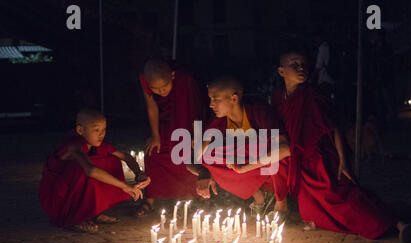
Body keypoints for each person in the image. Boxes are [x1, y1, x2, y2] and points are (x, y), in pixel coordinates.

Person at [272, 50, 411, 243]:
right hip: (299, 161)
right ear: (282, 71)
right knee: (313, 211)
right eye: (294, 64)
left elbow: (334, 128)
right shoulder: (277, 98)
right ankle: (389, 221)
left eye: (304, 64)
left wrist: (343, 160)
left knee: (342, 196)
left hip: (321, 158)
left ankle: (397, 224)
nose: (301, 68)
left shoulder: (313, 96)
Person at [188, 76, 290, 216]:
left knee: (274, 149)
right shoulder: (218, 122)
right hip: (245, 164)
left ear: (234, 99)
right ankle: (258, 195)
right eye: (210, 99)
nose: (211, 105)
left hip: (263, 164)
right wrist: (203, 173)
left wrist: (244, 168)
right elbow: (192, 158)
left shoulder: (259, 112)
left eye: (216, 99)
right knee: (210, 155)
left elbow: (285, 149)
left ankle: (281, 203)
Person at [39, 109, 150, 233]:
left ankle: (92, 212)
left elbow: (125, 156)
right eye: (96, 130)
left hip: (70, 190)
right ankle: (75, 219)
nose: (101, 134)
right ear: (80, 130)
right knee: (83, 169)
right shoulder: (73, 146)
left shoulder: (96, 144)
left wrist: (139, 173)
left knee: (110, 160)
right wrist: (125, 186)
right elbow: (91, 171)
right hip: (57, 199)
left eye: (104, 130)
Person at [138, 57, 208, 215]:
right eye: (156, 89)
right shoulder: (145, 79)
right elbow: (152, 107)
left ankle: (201, 193)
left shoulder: (185, 80)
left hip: (187, 127)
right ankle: (150, 198)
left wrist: (196, 135)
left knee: (190, 154)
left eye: (165, 86)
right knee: (153, 153)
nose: (162, 91)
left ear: (173, 76)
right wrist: (155, 136)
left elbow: (195, 109)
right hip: (166, 124)